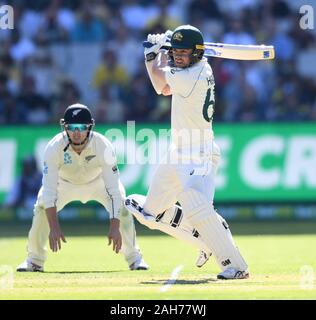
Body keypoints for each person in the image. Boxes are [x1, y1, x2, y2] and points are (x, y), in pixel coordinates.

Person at [125, 25, 249, 279]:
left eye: (183, 52)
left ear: (196, 53)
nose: (177, 56)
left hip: (199, 153)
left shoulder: (192, 75)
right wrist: (160, 54)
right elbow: (167, 87)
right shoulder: (197, 68)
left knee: (197, 206)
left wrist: (151, 54)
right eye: (175, 51)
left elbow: (160, 85)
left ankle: (236, 267)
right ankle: (205, 242)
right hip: (178, 152)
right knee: (150, 213)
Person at [17, 103, 148, 272]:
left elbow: (113, 189)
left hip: (97, 183)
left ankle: (134, 258)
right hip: (64, 185)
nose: (77, 133)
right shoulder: (53, 147)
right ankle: (34, 260)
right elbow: (49, 190)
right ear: (65, 127)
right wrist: (54, 228)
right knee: (42, 205)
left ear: (89, 127)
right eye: (72, 127)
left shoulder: (103, 145)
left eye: (81, 127)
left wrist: (114, 227)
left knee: (122, 205)